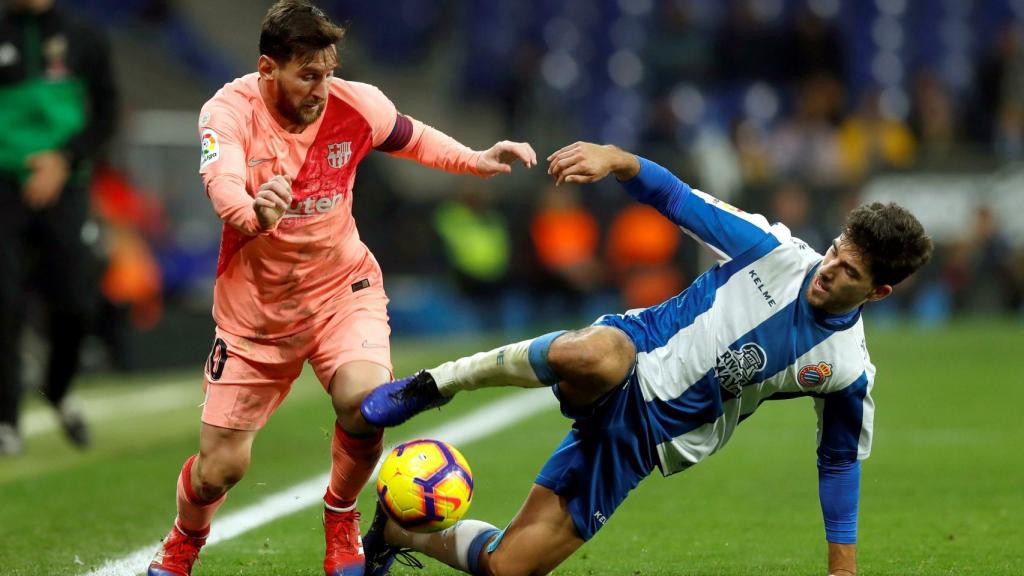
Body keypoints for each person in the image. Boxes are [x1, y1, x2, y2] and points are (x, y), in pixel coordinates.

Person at [360, 141, 933, 576]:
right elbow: (678, 198)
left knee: (511, 566)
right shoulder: (775, 251)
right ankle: (436, 383)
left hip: (645, 440)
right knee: (593, 355)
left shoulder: (846, 368)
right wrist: (616, 158)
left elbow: (838, 461)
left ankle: (395, 534)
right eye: (835, 251)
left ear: (878, 292)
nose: (829, 269)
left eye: (849, 272)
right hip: (635, 352)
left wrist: (843, 567)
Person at [146, 2, 536, 575]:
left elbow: (411, 136)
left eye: (328, 71)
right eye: (308, 74)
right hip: (257, 317)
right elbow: (221, 181)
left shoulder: (357, 103)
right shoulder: (228, 112)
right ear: (267, 68)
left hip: (341, 289)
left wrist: (475, 160)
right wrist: (253, 212)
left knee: (365, 402)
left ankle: (342, 516)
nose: (322, 88)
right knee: (219, 470)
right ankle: (184, 539)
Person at [0, 0, 117, 455]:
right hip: (4, 186)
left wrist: (64, 159)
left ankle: (58, 386)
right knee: (2, 302)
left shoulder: (83, 37)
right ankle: (6, 420)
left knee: (76, 301)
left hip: (65, 186)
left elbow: (106, 110)